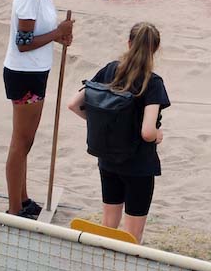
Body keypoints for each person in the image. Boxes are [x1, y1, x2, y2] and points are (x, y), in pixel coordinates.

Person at [67, 22, 170, 243]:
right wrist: (158, 135)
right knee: (131, 236)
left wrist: (100, 123)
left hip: (108, 160)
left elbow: (74, 104)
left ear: (129, 43)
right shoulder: (152, 83)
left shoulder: (110, 70)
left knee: (108, 227)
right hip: (138, 166)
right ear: (155, 49)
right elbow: (147, 132)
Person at [3, 0, 74, 218]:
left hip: (36, 70)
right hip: (24, 74)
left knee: (27, 141)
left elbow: (43, 34)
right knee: (21, 142)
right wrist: (58, 33)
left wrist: (60, 35)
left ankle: (23, 199)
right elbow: (23, 42)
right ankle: (13, 208)